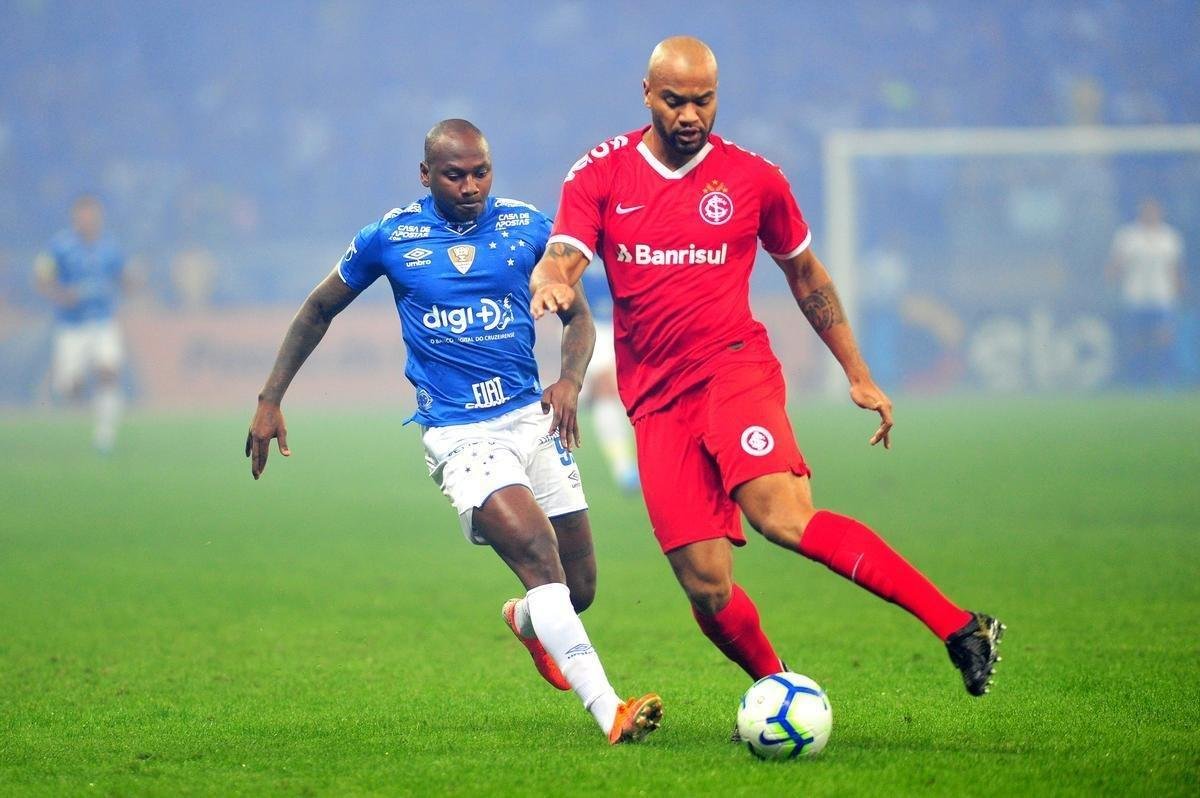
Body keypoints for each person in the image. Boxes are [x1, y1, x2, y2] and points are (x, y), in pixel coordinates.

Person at [528, 38, 1004, 717]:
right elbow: (565, 255)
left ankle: (960, 626)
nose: (690, 115)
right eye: (674, 100)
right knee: (707, 586)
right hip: (657, 401)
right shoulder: (601, 174)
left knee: (783, 515)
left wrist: (858, 373)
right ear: (646, 94)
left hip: (734, 372)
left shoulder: (754, 180)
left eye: (703, 100)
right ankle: (781, 687)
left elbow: (806, 276)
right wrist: (549, 280)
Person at [245, 120, 661, 745]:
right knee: (540, 559)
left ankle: (526, 620)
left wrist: (571, 379)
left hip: (532, 419)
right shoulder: (391, 236)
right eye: (454, 175)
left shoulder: (529, 229)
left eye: (480, 173)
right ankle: (611, 711)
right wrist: (270, 398)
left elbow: (579, 318)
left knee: (578, 590)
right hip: (461, 435)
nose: (470, 186)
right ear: (425, 175)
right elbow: (318, 307)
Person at [35, 195, 129, 454]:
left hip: (102, 321)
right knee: (70, 387)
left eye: (92, 215)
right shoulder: (59, 247)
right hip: (71, 326)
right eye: (83, 215)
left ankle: (105, 435)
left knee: (109, 371)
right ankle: (70, 388)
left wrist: (135, 281)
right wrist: (61, 295)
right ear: (75, 218)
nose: (88, 220)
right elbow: (42, 278)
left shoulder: (110, 247)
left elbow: (123, 277)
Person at [1106, 198, 1185, 387]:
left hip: (1162, 296)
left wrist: (1179, 291)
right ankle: (1137, 380)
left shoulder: (1169, 237)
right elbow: (1116, 264)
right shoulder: (1127, 236)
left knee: (1164, 338)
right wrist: (1111, 279)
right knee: (1137, 340)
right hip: (1135, 295)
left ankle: (1166, 380)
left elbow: (1174, 268)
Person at [579, 263, 640, 493]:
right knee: (606, 389)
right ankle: (623, 467)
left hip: (630, 322)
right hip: (592, 325)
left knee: (632, 390)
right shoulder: (580, 241)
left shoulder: (621, 240)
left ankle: (643, 459)